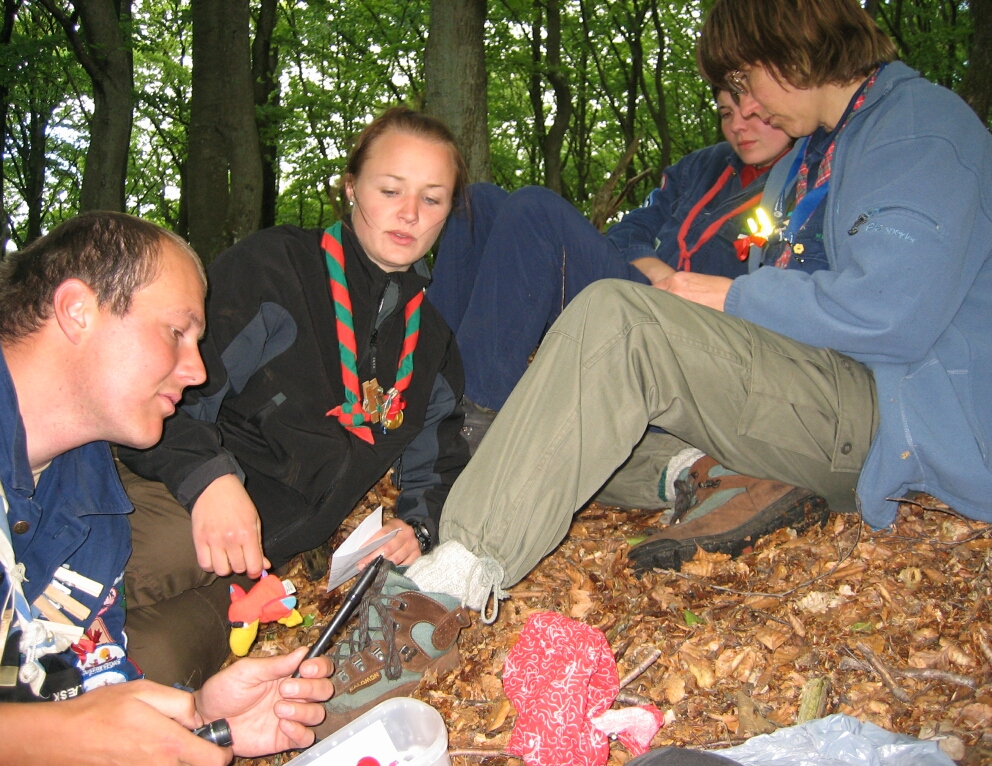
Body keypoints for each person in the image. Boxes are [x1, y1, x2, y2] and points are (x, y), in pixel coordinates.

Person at [395, 0, 992, 626]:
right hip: (817, 393)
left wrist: (728, 298)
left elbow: (892, 314)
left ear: (788, 50)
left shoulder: (917, 128)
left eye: (744, 79)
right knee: (561, 408)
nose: (745, 105)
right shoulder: (810, 158)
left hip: (886, 413)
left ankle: (447, 587)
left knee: (619, 320)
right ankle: (466, 432)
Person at [116, 108, 473, 727]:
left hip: (258, 567)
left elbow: (439, 461)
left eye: (432, 198)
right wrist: (209, 480)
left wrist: (418, 525)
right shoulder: (276, 268)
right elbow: (165, 393)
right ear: (351, 187)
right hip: (179, 499)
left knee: (157, 674)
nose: (410, 214)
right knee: (105, 579)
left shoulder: (433, 343)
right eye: (391, 190)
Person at [0, 212, 334, 766]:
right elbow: (59, 732)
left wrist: (202, 721)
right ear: (77, 311)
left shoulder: (94, 499)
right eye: (176, 332)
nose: (198, 372)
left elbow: (76, 685)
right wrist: (57, 737)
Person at [428, 90, 793, 447]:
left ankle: (473, 419)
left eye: (753, 113)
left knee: (534, 209)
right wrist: (662, 273)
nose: (739, 126)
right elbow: (627, 233)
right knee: (479, 203)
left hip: (699, 341)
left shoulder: (804, 179)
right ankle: (428, 385)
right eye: (727, 114)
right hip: (645, 294)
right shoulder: (702, 166)